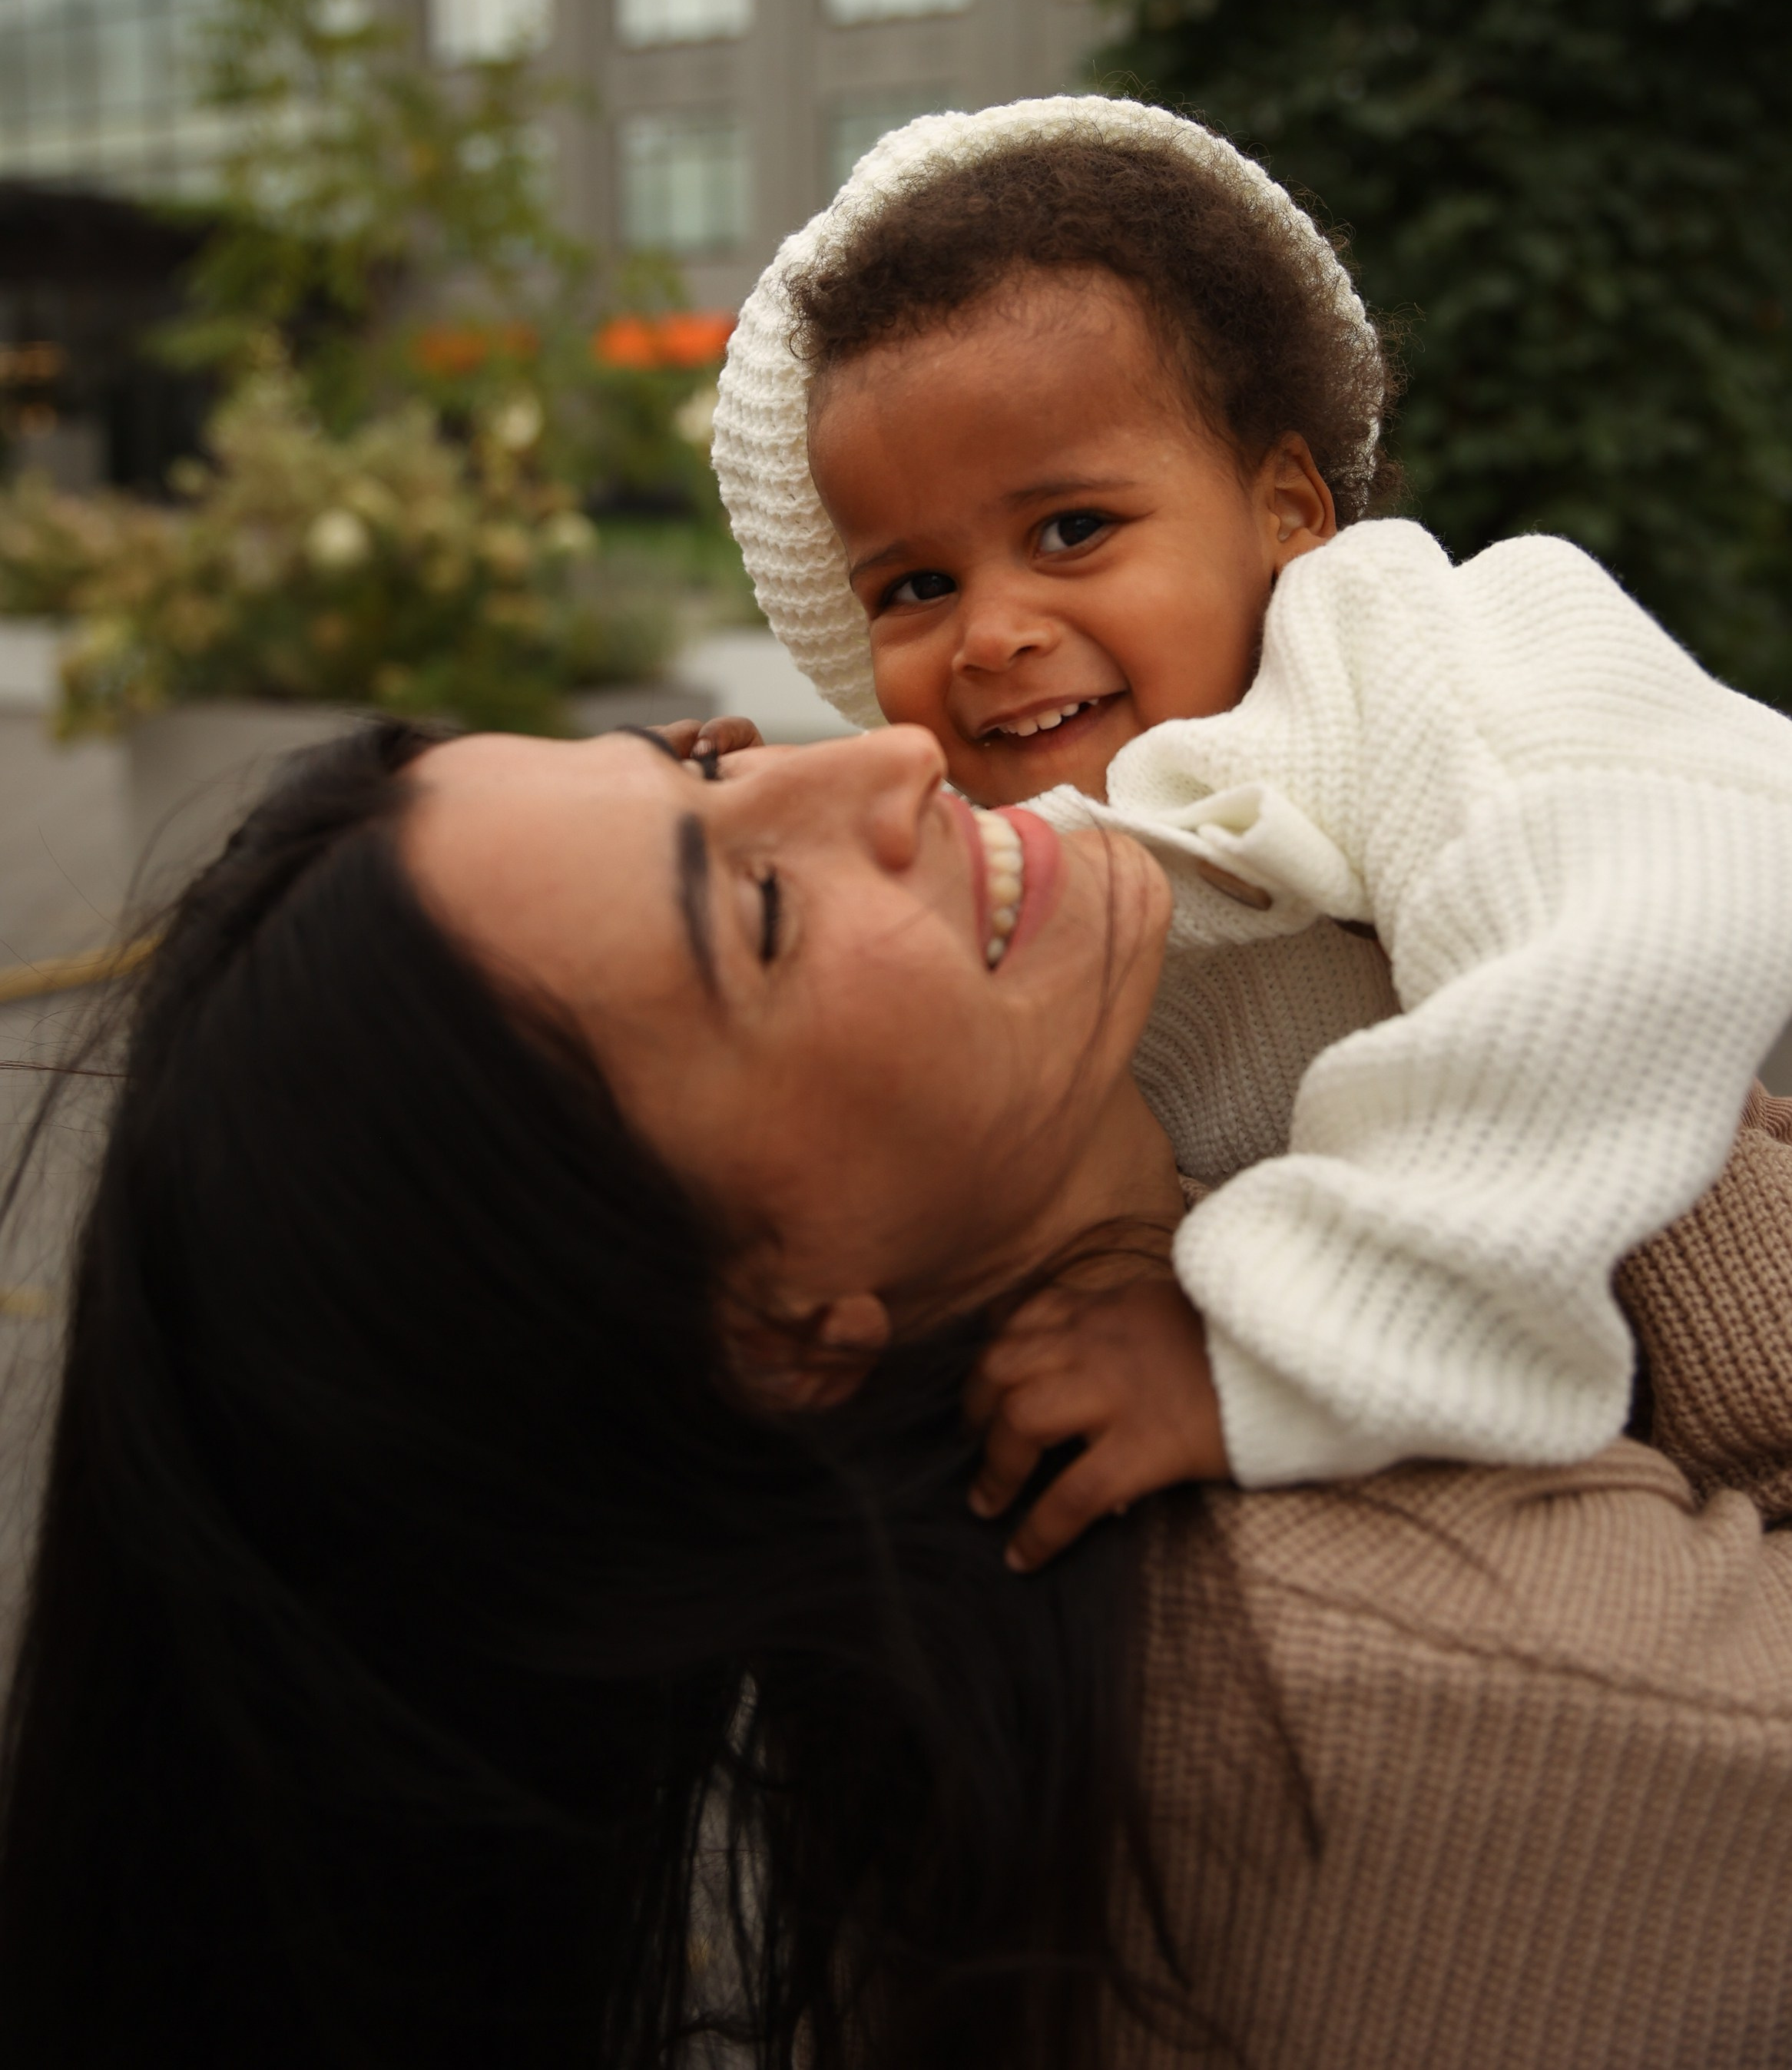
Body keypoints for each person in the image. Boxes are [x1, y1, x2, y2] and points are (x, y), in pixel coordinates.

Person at [2, 719, 1791, 2070]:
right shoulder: (1357, 1677)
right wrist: (1590, 1034)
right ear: (776, 1327)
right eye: (762, 909)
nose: (894, 750)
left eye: (706, 762)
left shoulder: (970, 1609)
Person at [707, 94, 1792, 1553]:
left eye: (1070, 530)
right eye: (912, 587)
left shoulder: (1413, 650)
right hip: (1569, 1484)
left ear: (1285, 509)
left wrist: (1286, 1335)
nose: (991, 633)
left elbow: (1628, 934)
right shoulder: (1006, 857)